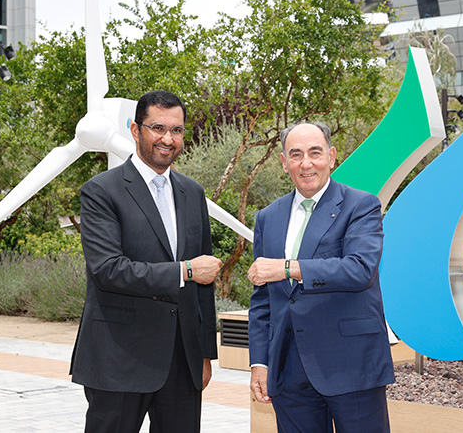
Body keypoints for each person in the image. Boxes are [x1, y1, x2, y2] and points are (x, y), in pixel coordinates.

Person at [70, 90, 222, 433]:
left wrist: (204, 353)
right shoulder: (101, 191)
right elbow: (108, 270)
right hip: (118, 358)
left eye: (177, 130)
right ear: (134, 129)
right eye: (157, 128)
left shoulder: (192, 193)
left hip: (182, 362)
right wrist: (184, 271)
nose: (167, 139)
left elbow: (204, 286)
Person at [247, 122, 395, 433]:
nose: (306, 163)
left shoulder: (361, 205)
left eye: (315, 153)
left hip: (351, 365)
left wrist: (289, 268)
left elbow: (360, 269)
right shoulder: (268, 217)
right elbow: (263, 300)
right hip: (288, 371)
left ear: (331, 156)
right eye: (296, 154)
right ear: (284, 163)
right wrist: (259, 363)